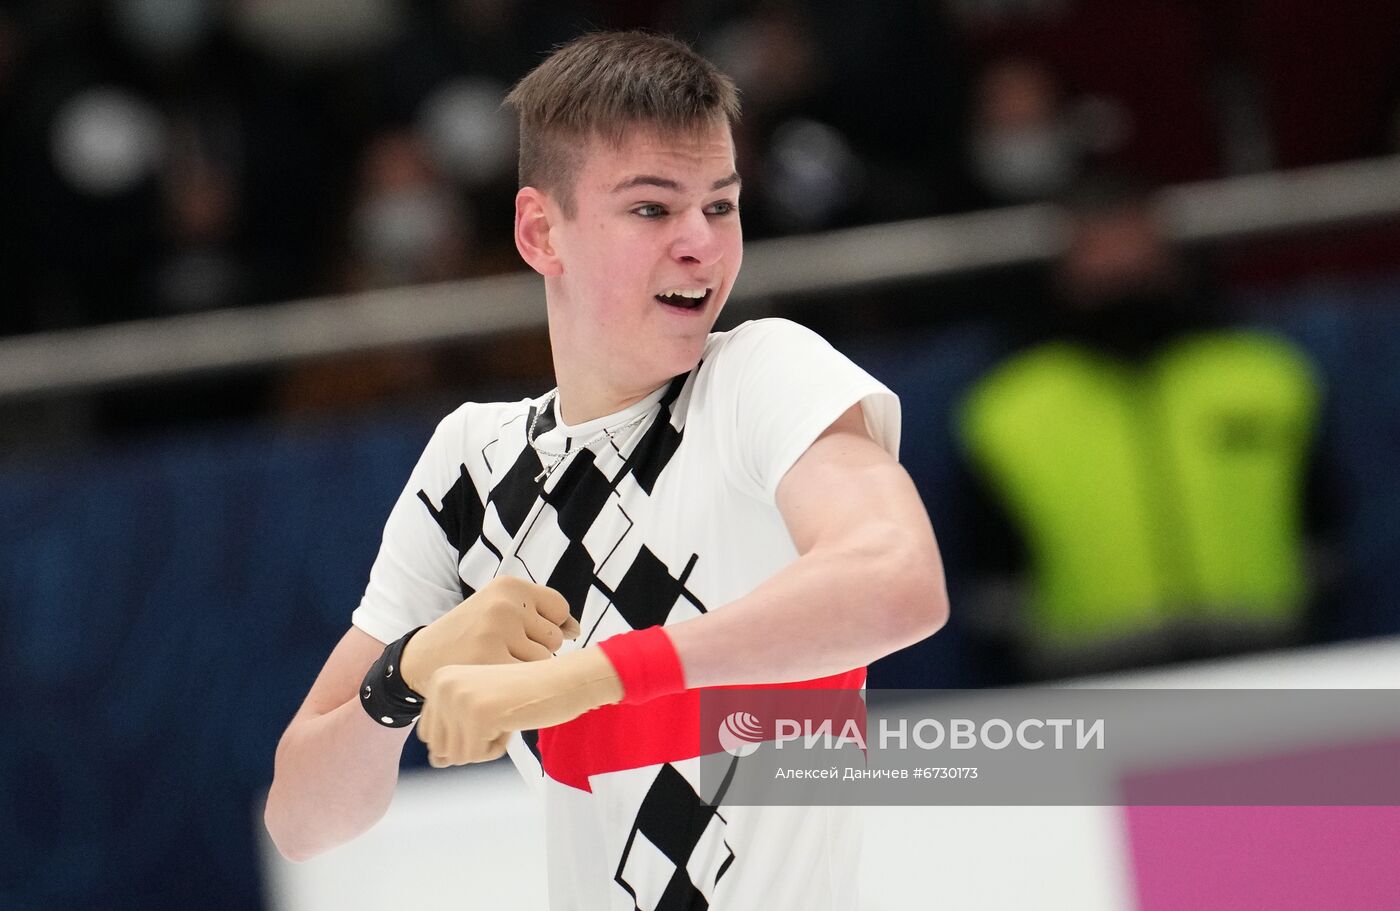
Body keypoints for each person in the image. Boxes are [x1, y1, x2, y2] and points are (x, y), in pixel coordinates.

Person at [264, 30, 948, 909]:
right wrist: (411, 668)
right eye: (653, 210)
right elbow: (303, 819)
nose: (702, 242)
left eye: (723, 205)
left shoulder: (760, 376)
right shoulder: (473, 461)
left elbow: (899, 581)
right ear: (541, 231)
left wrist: (594, 673)